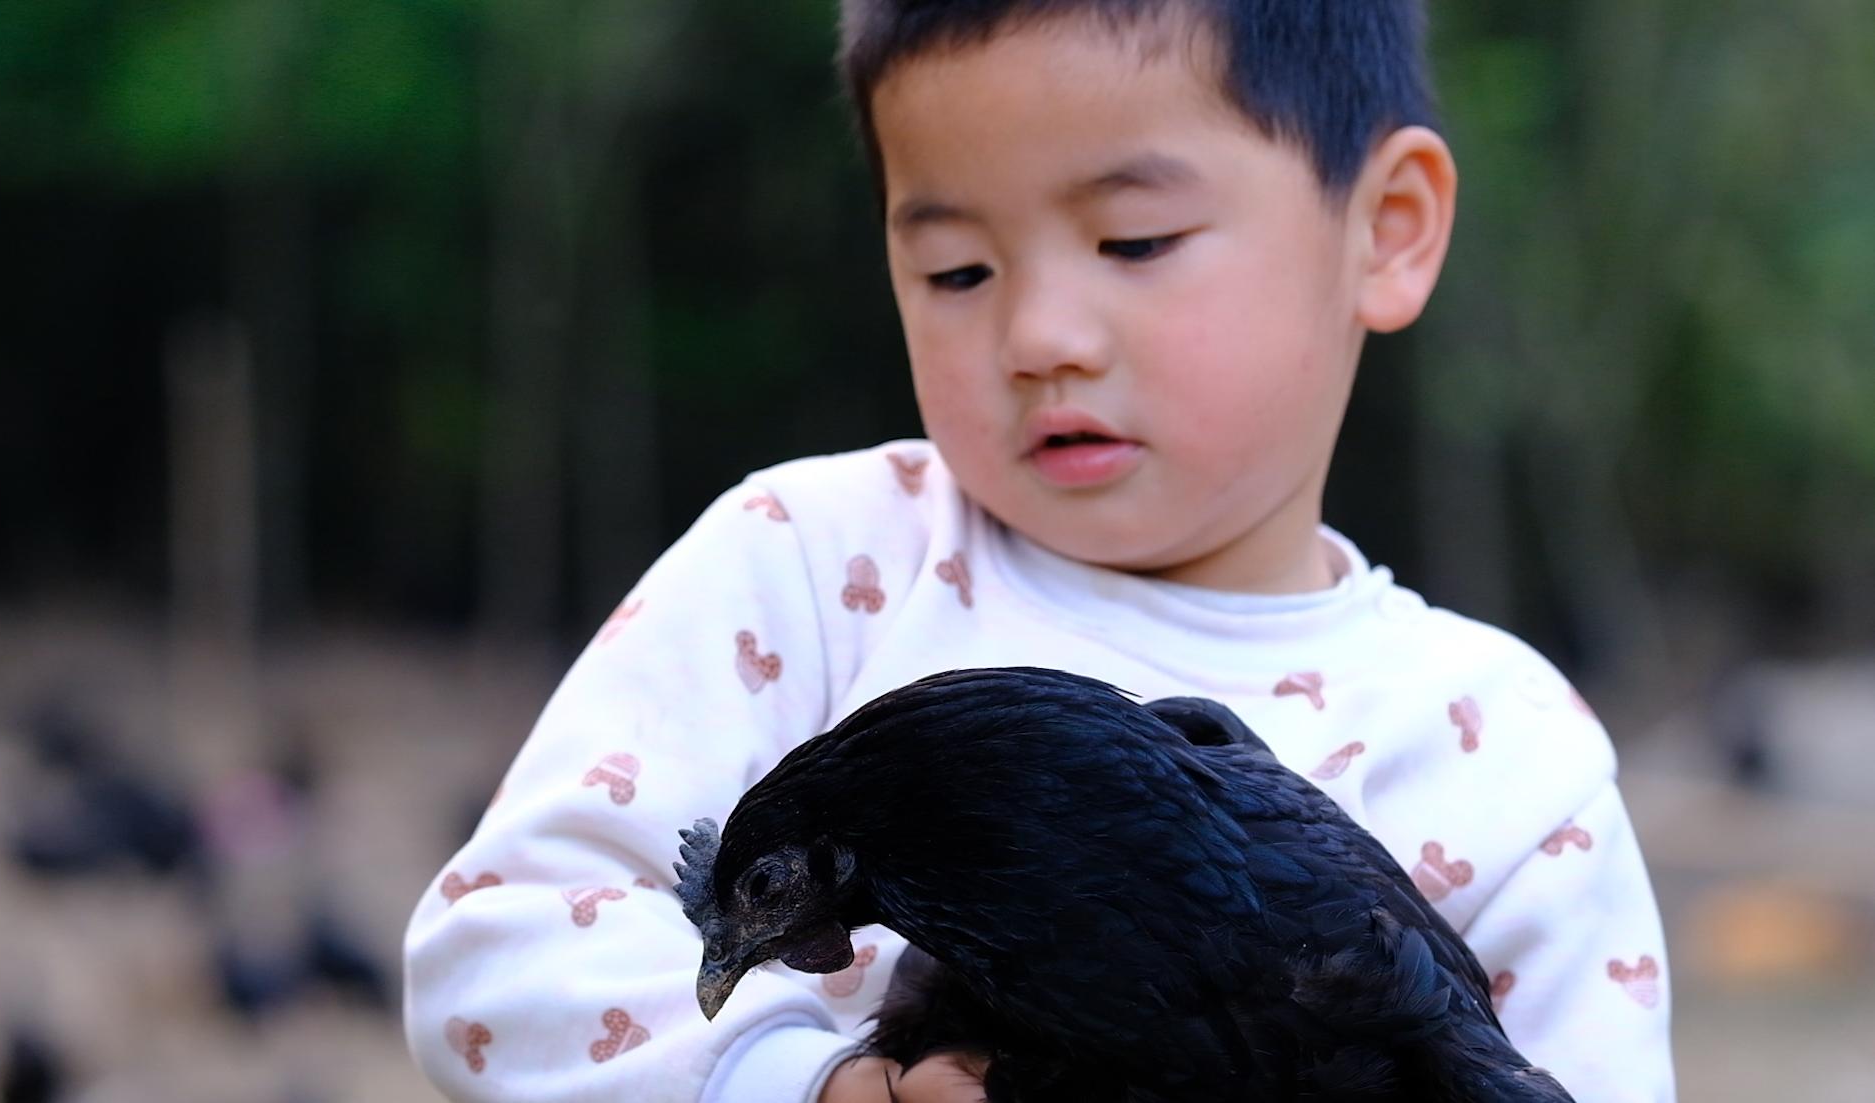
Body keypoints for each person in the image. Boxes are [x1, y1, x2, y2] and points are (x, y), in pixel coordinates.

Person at [404, 2, 1676, 1101]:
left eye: (1133, 242)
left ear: (1385, 228)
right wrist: (803, 1075)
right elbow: (496, 950)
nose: (1039, 333)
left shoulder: (1504, 754)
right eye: (956, 268)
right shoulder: (808, 569)